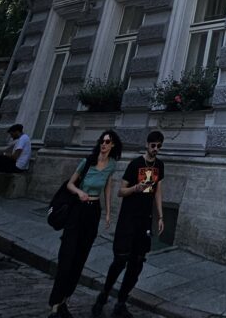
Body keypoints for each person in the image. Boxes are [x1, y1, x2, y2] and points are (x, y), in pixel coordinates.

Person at [48, 130, 122, 318]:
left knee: (80, 257)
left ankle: (64, 301)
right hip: (77, 211)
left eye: (107, 142)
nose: (103, 144)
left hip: (93, 212)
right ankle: (55, 305)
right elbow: (70, 184)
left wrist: (107, 213)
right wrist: (79, 193)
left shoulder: (111, 165)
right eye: (102, 141)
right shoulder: (87, 162)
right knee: (67, 256)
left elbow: (107, 187)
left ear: (112, 145)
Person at [92, 131, 166, 318]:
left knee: (137, 263)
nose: (155, 149)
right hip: (128, 219)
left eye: (159, 146)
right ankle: (104, 295)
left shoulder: (159, 165)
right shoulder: (135, 164)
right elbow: (120, 191)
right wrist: (135, 188)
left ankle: (121, 302)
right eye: (153, 146)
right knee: (120, 261)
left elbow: (157, 191)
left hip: (144, 220)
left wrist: (160, 216)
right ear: (147, 145)